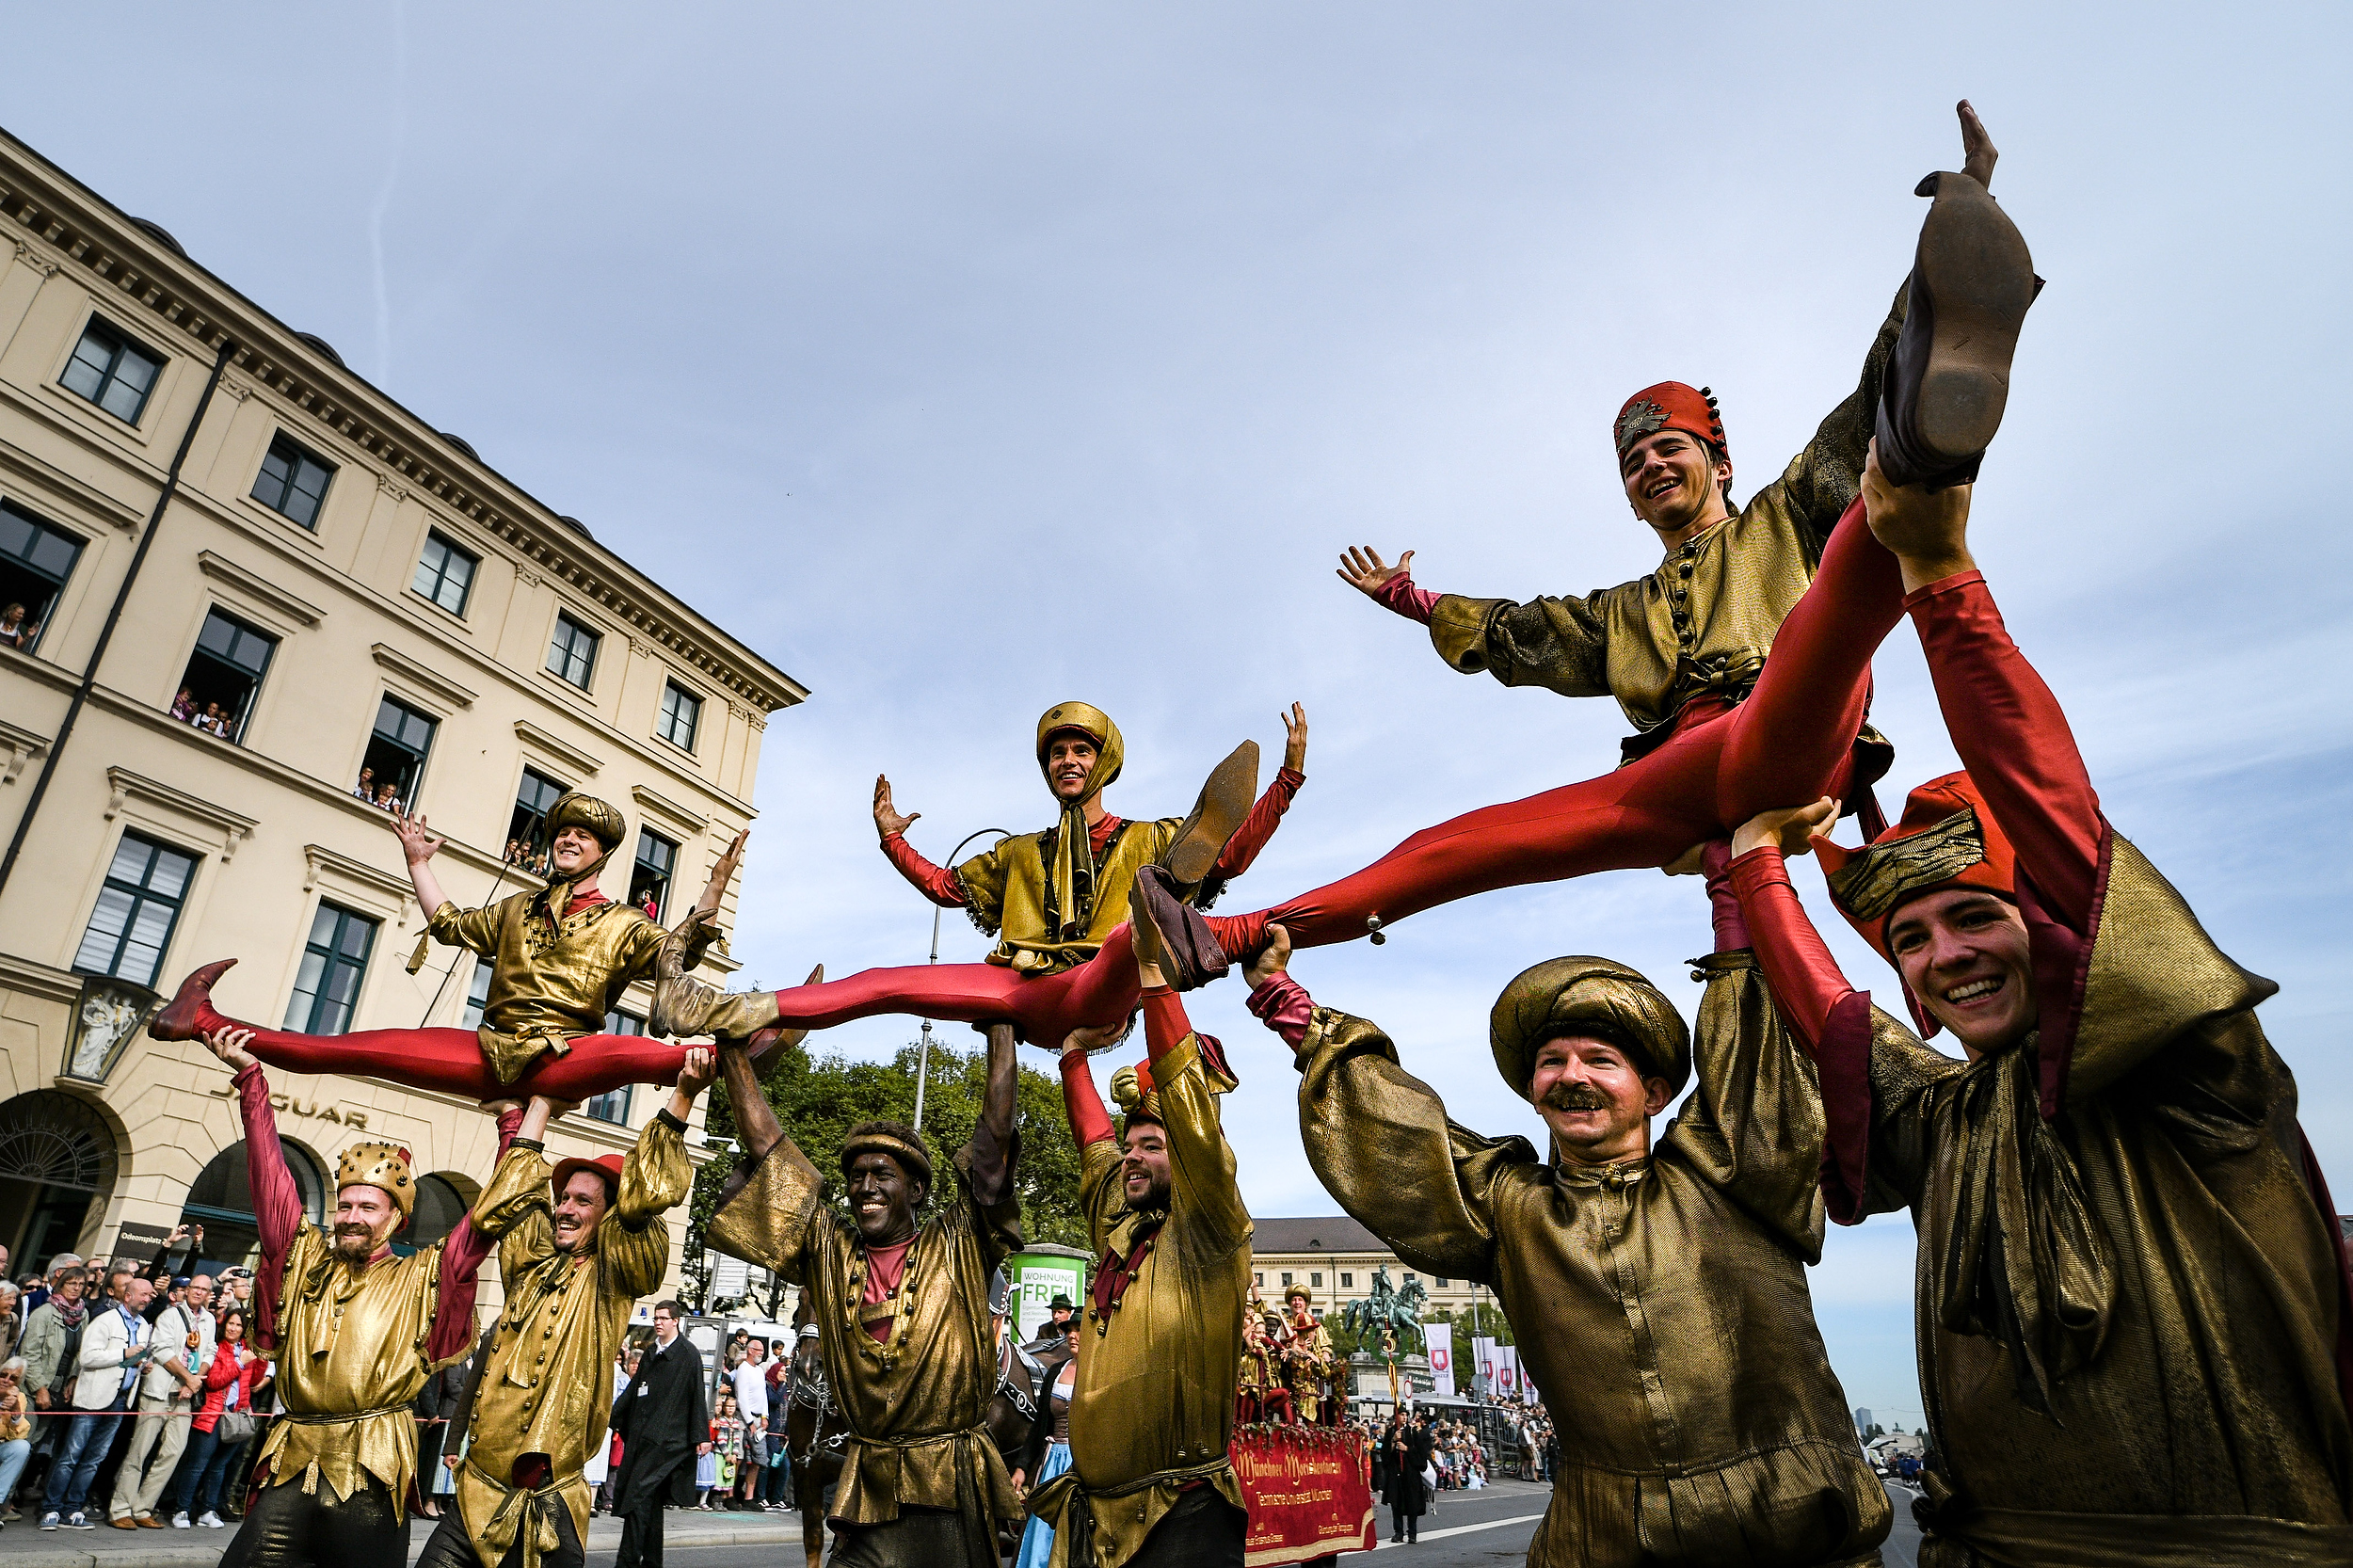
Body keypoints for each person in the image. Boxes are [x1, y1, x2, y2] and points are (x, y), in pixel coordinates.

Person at [1126, 105, 2038, 1001]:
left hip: (1791, 722)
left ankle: (1953, 337)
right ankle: (1224, 934)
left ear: (1718, 461)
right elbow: (1523, 634)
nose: (1650, 465)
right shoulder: (1620, 616)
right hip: (1677, 773)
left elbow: (1850, 424)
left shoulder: (1783, 511)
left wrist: (1942, 258)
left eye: (1668, 448)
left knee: (1860, 548)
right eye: (1633, 462)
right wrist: (1412, 598)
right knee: (1460, 845)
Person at [1725, 450, 2353, 1562]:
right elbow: (1836, 1020)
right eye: (1910, 941)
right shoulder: (1948, 1118)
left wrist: (1939, 577)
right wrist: (1754, 866)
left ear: (2058, 926)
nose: (1941, 958)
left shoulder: (2190, 1062)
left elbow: (2066, 836)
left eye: (1974, 918)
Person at [1237, 868, 1894, 1566]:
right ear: (1534, 1094)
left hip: (1792, 1532)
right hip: (1604, 1543)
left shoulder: (1730, 1172)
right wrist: (1281, 998)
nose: (1571, 1075)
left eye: (1601, 1060)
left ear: (1657, 1092)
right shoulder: (1508, 1207)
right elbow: (1397, 1127)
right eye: (1551, 1062)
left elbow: (1750, 1051)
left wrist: (1733, 882)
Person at [148, 793, 763, 1103]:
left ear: (602, 851)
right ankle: (197, 1019)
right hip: (490, 1047)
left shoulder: (624, 924)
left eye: (583, 835)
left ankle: (741, 1051)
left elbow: (681, 952)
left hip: (566, 1051)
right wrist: (417, 863)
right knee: (335, 1051)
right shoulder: (517, 909)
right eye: (563, 833)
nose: (569, 840)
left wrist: (711, 888)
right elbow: (448, 924)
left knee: (642, 1053)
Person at [703, 1017, 1022, 1568]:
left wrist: (1000, 1023)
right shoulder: (831, 1253)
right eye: (855, 1176)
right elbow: (771, 1153)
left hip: (949, 1494)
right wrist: (732, 1051)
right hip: (868, 1492)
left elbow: (992, 1142)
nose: (865, 1187)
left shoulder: (960, 1242)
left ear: (918, 1189)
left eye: (883, 1174)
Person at [198, 1024, 509, 1568]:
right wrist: (251, 1081)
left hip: (374, 1462)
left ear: (397, 1218)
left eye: (369, 1208)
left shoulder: (423, 1275)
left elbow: (485, 1222)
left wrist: (514, 1127)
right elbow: (270, 1180)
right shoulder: (304, 1258)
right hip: (292, 1456)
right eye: (345, 1206)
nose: (352, 1218)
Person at [414, 1048, 714, 1568]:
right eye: (564, 1197)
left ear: (609, 1217)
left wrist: (683, 1096)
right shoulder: (530, 1266)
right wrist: (534, 1106)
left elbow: (643, 1204)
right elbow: (511, 1196)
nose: (565, 1208)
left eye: (582, 1201)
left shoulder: (613, 1279)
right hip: (472, 1499)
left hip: (546, 1510)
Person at [1026, 917, 1252, 1567]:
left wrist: (1154, 977)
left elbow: (1188, 1109)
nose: (1130, 1158)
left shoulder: (1210, 1231)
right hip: (1097, 1520)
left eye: (1151, 1146)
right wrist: (1071, 1055)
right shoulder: (1121, 1232)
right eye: (1132, 1146)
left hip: (1184, 1517)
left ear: (1188, 1152)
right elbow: (1094, 1145)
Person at [872, 701, 1307, 977]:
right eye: (1057, 753)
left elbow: (1230, 860)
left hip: (1111, 970)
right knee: (890, 984)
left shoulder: (1148, 837)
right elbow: (945, 888)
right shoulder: (1018, 851)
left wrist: (1284, 783)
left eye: (1081, 751)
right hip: (1026, 977)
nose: (1068, 761)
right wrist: (894, 840)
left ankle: (1172, 916)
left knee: (1251, 923)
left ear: (1103, 763)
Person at [39, 1264, 152, 1530]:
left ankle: (73, 1508)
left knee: (94, 1459)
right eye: (143, 1295)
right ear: (128, 1296)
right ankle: (51, 1508)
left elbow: (134, 1359)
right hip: (93, 1397)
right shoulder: (106, 1320)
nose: (147, 1299)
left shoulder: (145, 1326)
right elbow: (87, 1358)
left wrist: (142, 1363)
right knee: (71, 1455)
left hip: (121, 1399)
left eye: (149, 1296)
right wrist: (124, 1354)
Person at [611, 1301, 711, 1568]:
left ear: (676, 1321)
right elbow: (634, 1391)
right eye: (656, 1318)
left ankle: (627, 1562)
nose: (658, 1323)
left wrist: (702, 1436)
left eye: (664, 1318)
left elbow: (696, 1396)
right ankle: (652, 1561)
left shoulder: (688, 1354)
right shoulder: (651, 1353)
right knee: (648, 1504)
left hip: (668, 1444)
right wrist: (612, 1417)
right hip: (644, 1440)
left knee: (636, 1500)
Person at [110, 1271, 214, 1528]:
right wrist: (187, 1378)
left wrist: (195, 1380)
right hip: (159, 1391)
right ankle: (119, 1509)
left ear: (209, 1295)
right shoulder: (169, 1315)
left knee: (173, 1453)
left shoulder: (209, 1320)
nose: (199, 1292)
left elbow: (210, 1350)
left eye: (205, 1289)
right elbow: (162, 1350)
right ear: (186, 1291)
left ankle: (143, 1507)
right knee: (139, 1452)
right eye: (195, 1288)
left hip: (186, 1394)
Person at [174, 1304, 263, 1528]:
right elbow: (214, 1382)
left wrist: (258, 1357)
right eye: (230, 1323)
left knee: (219, 1467)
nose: (233, 1328)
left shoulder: (247, 1348)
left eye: (238, 1325)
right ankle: (182, 1510)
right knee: (197, 1465)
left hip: (236, 1417)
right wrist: (240, 1363)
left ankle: (208, 1510)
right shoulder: (217, 1348)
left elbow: (253, 1382)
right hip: (212, 1414)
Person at [1012, 1319, 1079, 1568]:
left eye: (1079, 1331)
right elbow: (1040, 1425)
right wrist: (1022, 1466)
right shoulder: (1056, 1372)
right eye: (1069, 1331)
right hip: (1053, 1463)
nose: (1072, 1336)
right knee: (1042, 1532)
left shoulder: (1102, 1373)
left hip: (1084, 1465)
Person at [1276, 1286, 1337, 1426]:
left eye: (1300, 1300)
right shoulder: (1285, 1323)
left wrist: (1324, 1354)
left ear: (1306, 1304)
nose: (1297, 1302)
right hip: (1289, 1375)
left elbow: (1325, 1346)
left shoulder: (1316, 1326)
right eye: (1294, 1299)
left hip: (1309, 1378)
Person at [0, 1358, 30, 1528]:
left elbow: (20, 1434)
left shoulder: (20, 1398)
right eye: (3, 1375)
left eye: (13, 1378)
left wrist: (15, 1412)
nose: (6, 1380)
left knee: (22, 1447)